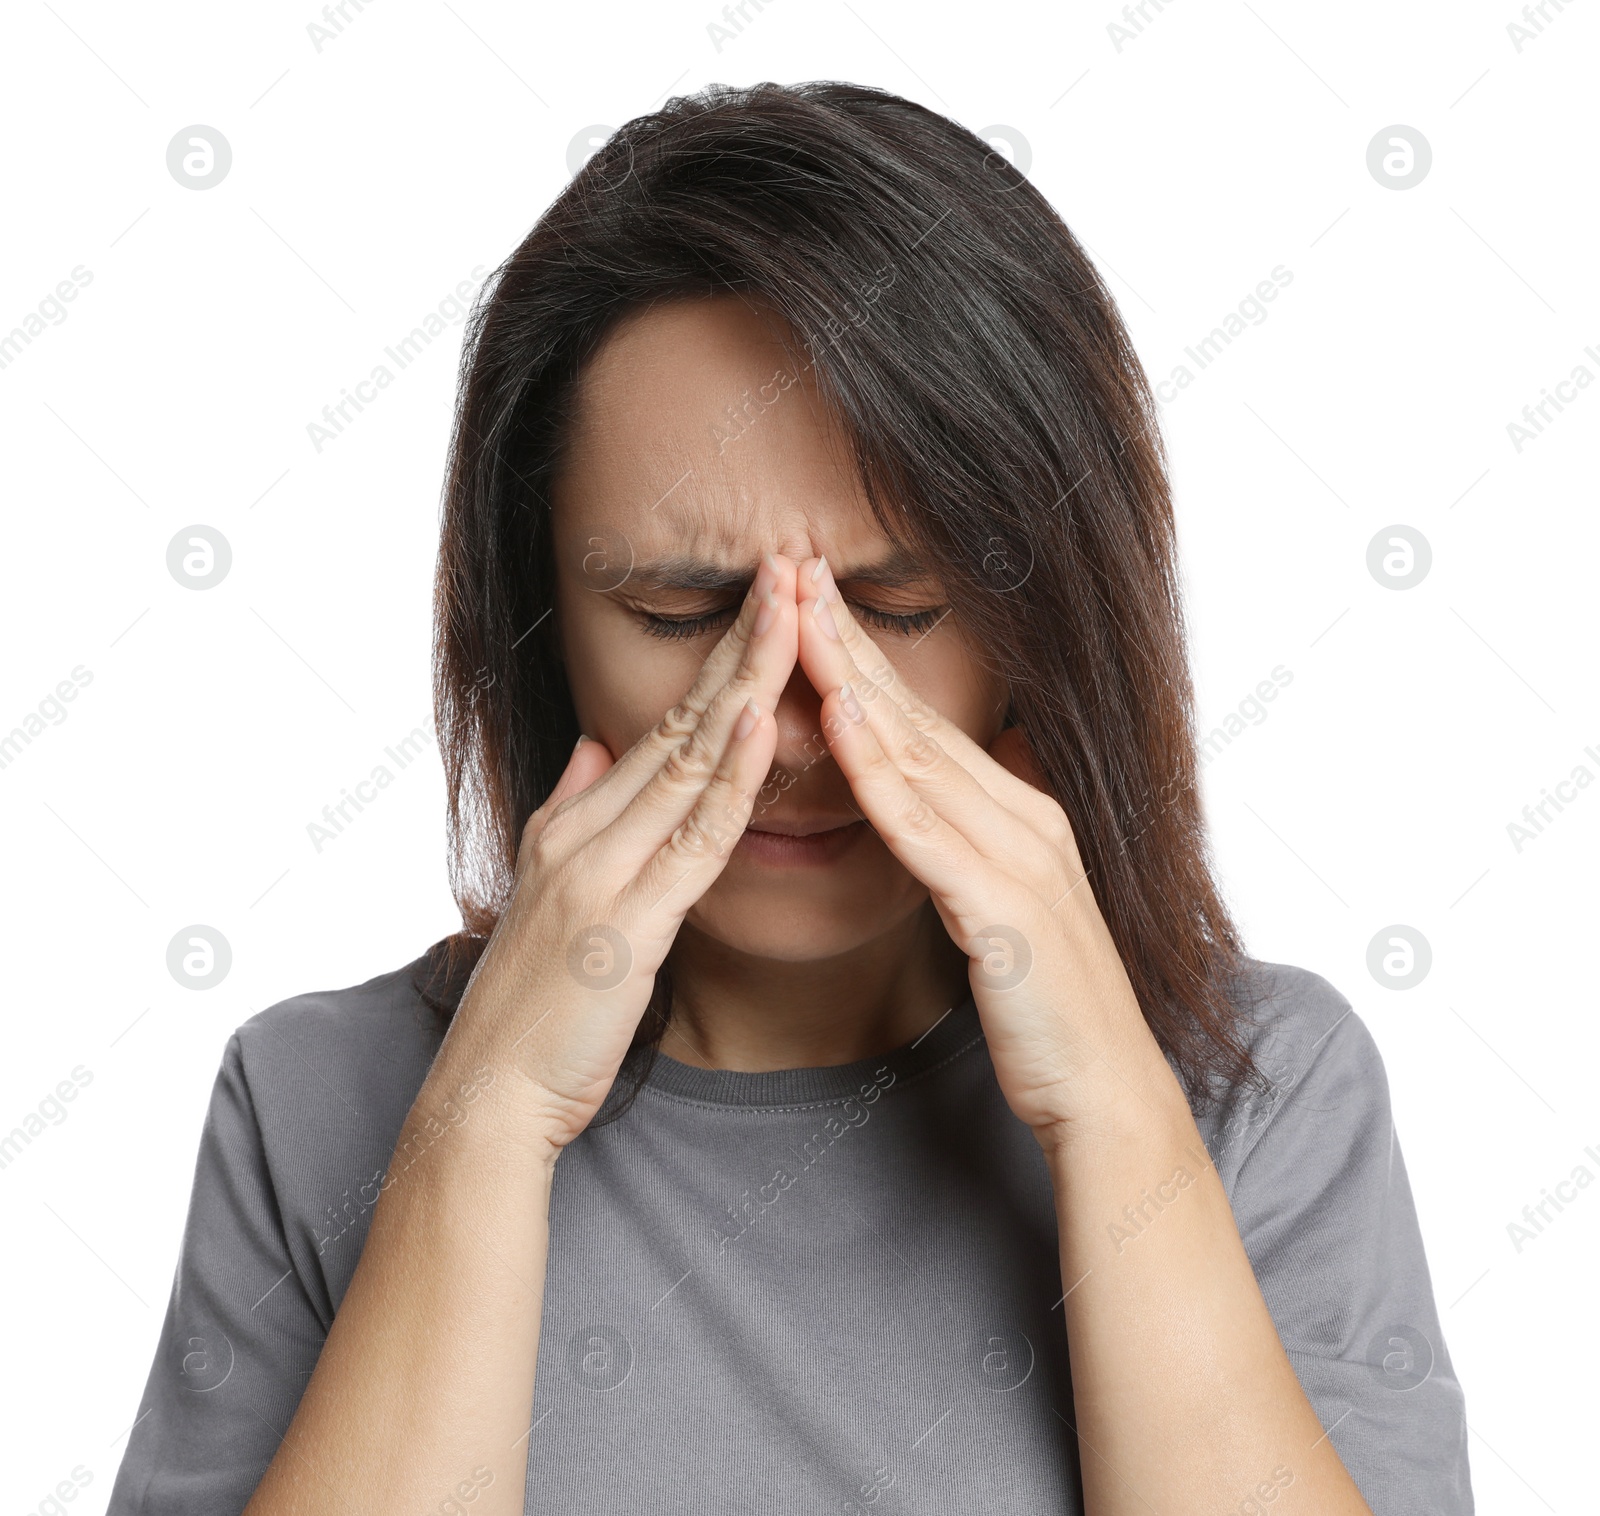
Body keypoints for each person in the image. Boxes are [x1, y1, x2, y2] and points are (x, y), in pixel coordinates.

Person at [107, 81, 1473, 1515]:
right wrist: (489, 1120)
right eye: (685, 611)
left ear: (1046, 622)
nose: (790, 721)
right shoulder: (315, 1104)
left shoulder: (1262, 1091)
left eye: (897, 607)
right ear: (543, 621)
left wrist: (1117, 1115)